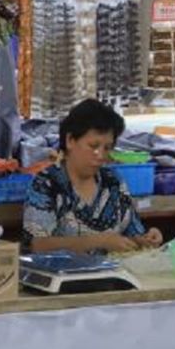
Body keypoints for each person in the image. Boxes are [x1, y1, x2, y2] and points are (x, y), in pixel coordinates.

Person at [22, 99, 163, 254]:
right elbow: (38, 245)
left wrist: (145, 239)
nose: (101, 155)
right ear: (70, 140)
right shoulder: (47, 184)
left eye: (107, 148)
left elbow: (132, 234)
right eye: (93, 146)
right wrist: (98, 240)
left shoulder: (113, 182)